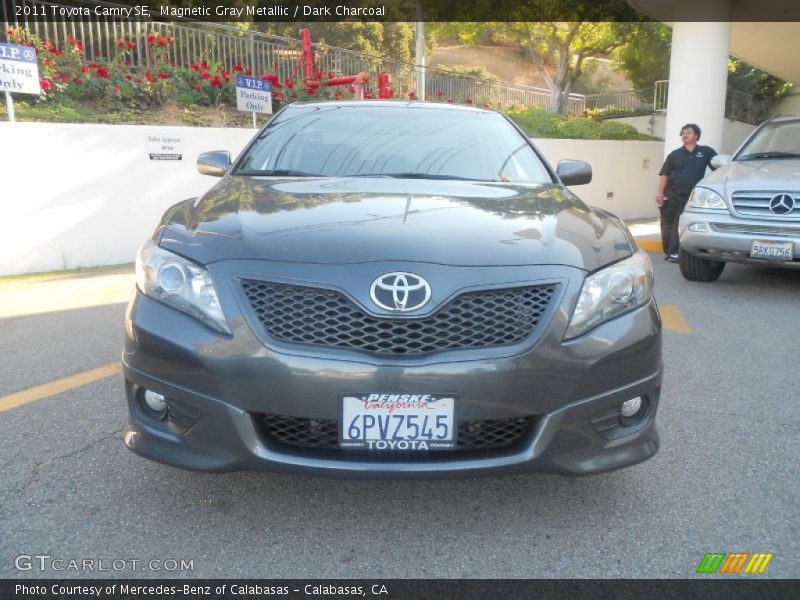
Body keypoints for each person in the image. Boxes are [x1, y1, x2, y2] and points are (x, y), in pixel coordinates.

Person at [656, 124, 717, 262]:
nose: (684, 135)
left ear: (696, 135)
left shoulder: (706, 152)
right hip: (670, 194)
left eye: (688, 132)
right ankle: (669, 251)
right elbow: (664, 175)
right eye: (683, 133)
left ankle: (673, 252)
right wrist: (659, 193)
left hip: (689, 196)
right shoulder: (674, 154)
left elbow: (718, 167)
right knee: (667, 226)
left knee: (678, 224)